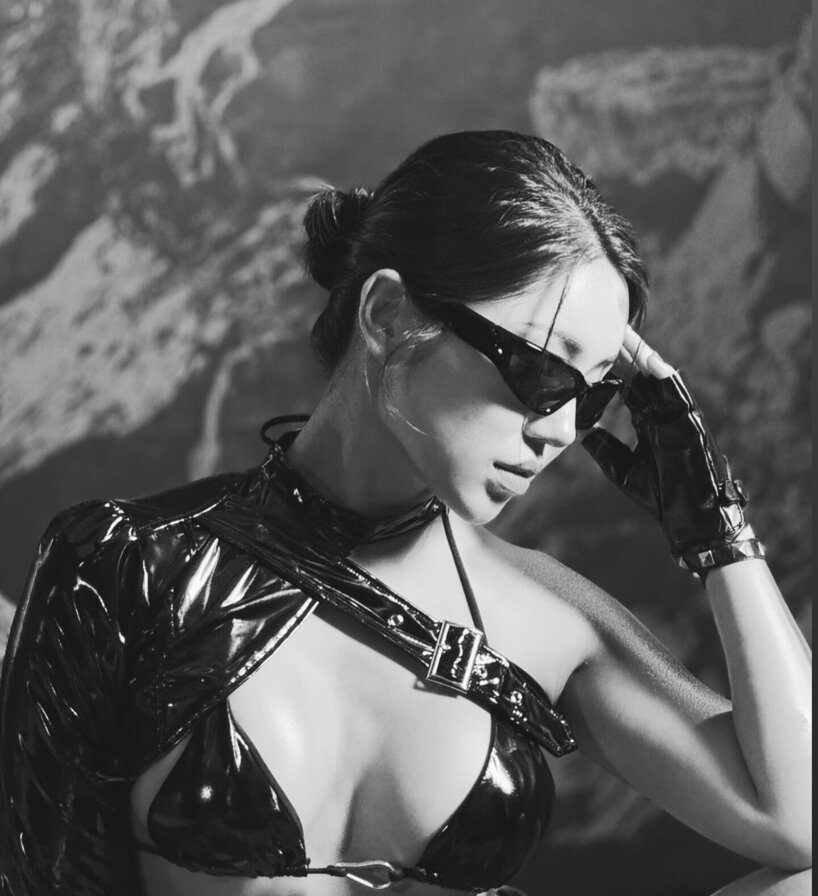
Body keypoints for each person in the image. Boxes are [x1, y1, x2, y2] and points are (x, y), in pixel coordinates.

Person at [0, 131, 810, 896]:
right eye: (541, 374)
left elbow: (799, 823)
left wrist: (717, 526)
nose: (562, 430)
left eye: (594, 397)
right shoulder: (127, 562)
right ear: (389, 315)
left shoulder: (546, 615)